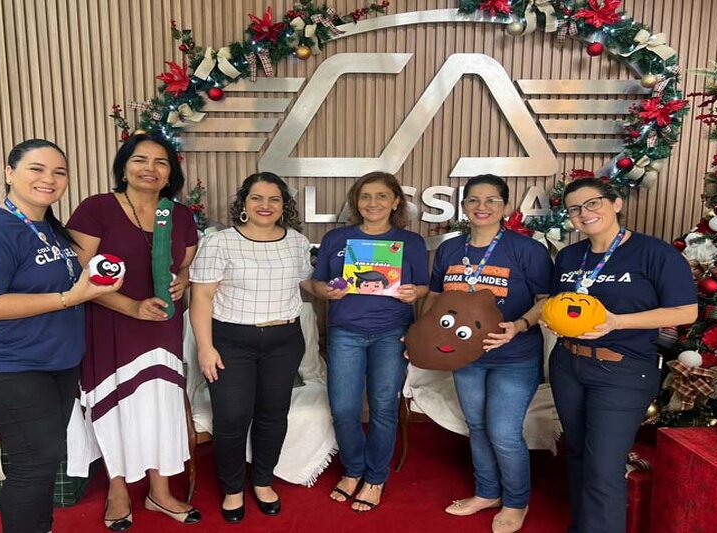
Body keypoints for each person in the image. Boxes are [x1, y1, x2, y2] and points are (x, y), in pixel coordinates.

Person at [0, 139, 122, 533]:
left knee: (43, 461)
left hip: (57, 367)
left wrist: (96, 283)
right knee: (34, 462)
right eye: (36, 168)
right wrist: (69, 297)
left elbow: (63, 283)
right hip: (10, 371)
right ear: (9, 172)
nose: (49, 178)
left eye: (59, 172)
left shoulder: (48, 227)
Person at [66, 132, 201, 529]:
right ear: (124, 166)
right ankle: (118, 488)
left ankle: (160, 492)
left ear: (170, 173)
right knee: (117, 406)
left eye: (161, 162)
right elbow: (78, 276)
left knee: (159, 406)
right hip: (111, 324)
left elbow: (187, 264)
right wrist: (130, 305)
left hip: (161, 326)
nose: (150, 168)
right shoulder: (97, 209)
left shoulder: (178, 215)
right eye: (140, 159)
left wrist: (184, 282)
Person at [547, 177, 697, 533]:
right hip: (569, 363)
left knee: (604, 467)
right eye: (575, 209)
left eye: (593, 203)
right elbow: (557, 305)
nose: (584, 214)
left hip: (623, 370)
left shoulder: (654, 253)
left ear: (615, 204)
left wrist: (618, 322)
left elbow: (686, 312)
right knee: (579, 454)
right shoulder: (570, 255)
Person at [424, 174, 551, 533]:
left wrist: (520, 326)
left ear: (505, 207)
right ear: (463, 207)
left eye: (492, 200)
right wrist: (423, 339)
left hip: (514, 356)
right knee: (477, 426)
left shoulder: (528, 250)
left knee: (503, 430)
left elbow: (546, 301)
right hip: (464, 357)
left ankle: (515, 501)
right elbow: (435, 299)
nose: (482, 207)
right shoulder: (450, 249)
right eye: (474, 200)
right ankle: (486, 492)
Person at [189, 172, 313, 523]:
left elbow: (307, 284)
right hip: (231, 341)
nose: (266, 205)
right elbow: (201, 297)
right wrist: (205, 348)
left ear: (283, 205)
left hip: (284, 340)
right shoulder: (219, 242)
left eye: (274, 199)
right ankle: (232, 489)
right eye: (257, 198)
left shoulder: (297, 243)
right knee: (231, 418)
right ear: (243, 203)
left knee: (273, 415)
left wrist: (334, 288)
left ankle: (262, 481)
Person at [312, 171, 429, 512]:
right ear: (356, 202)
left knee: (382, 408)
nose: (372, 203)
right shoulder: (337, 239)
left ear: (395, 202)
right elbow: (318, 283)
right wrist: (328, 290)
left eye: (381, 196)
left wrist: (413, 292)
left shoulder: (412, 242)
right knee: (345, 408)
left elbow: (423, 286)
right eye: (365, 196)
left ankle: (375, 477)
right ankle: (353, 470)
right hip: (345, 332)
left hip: (391, 334)